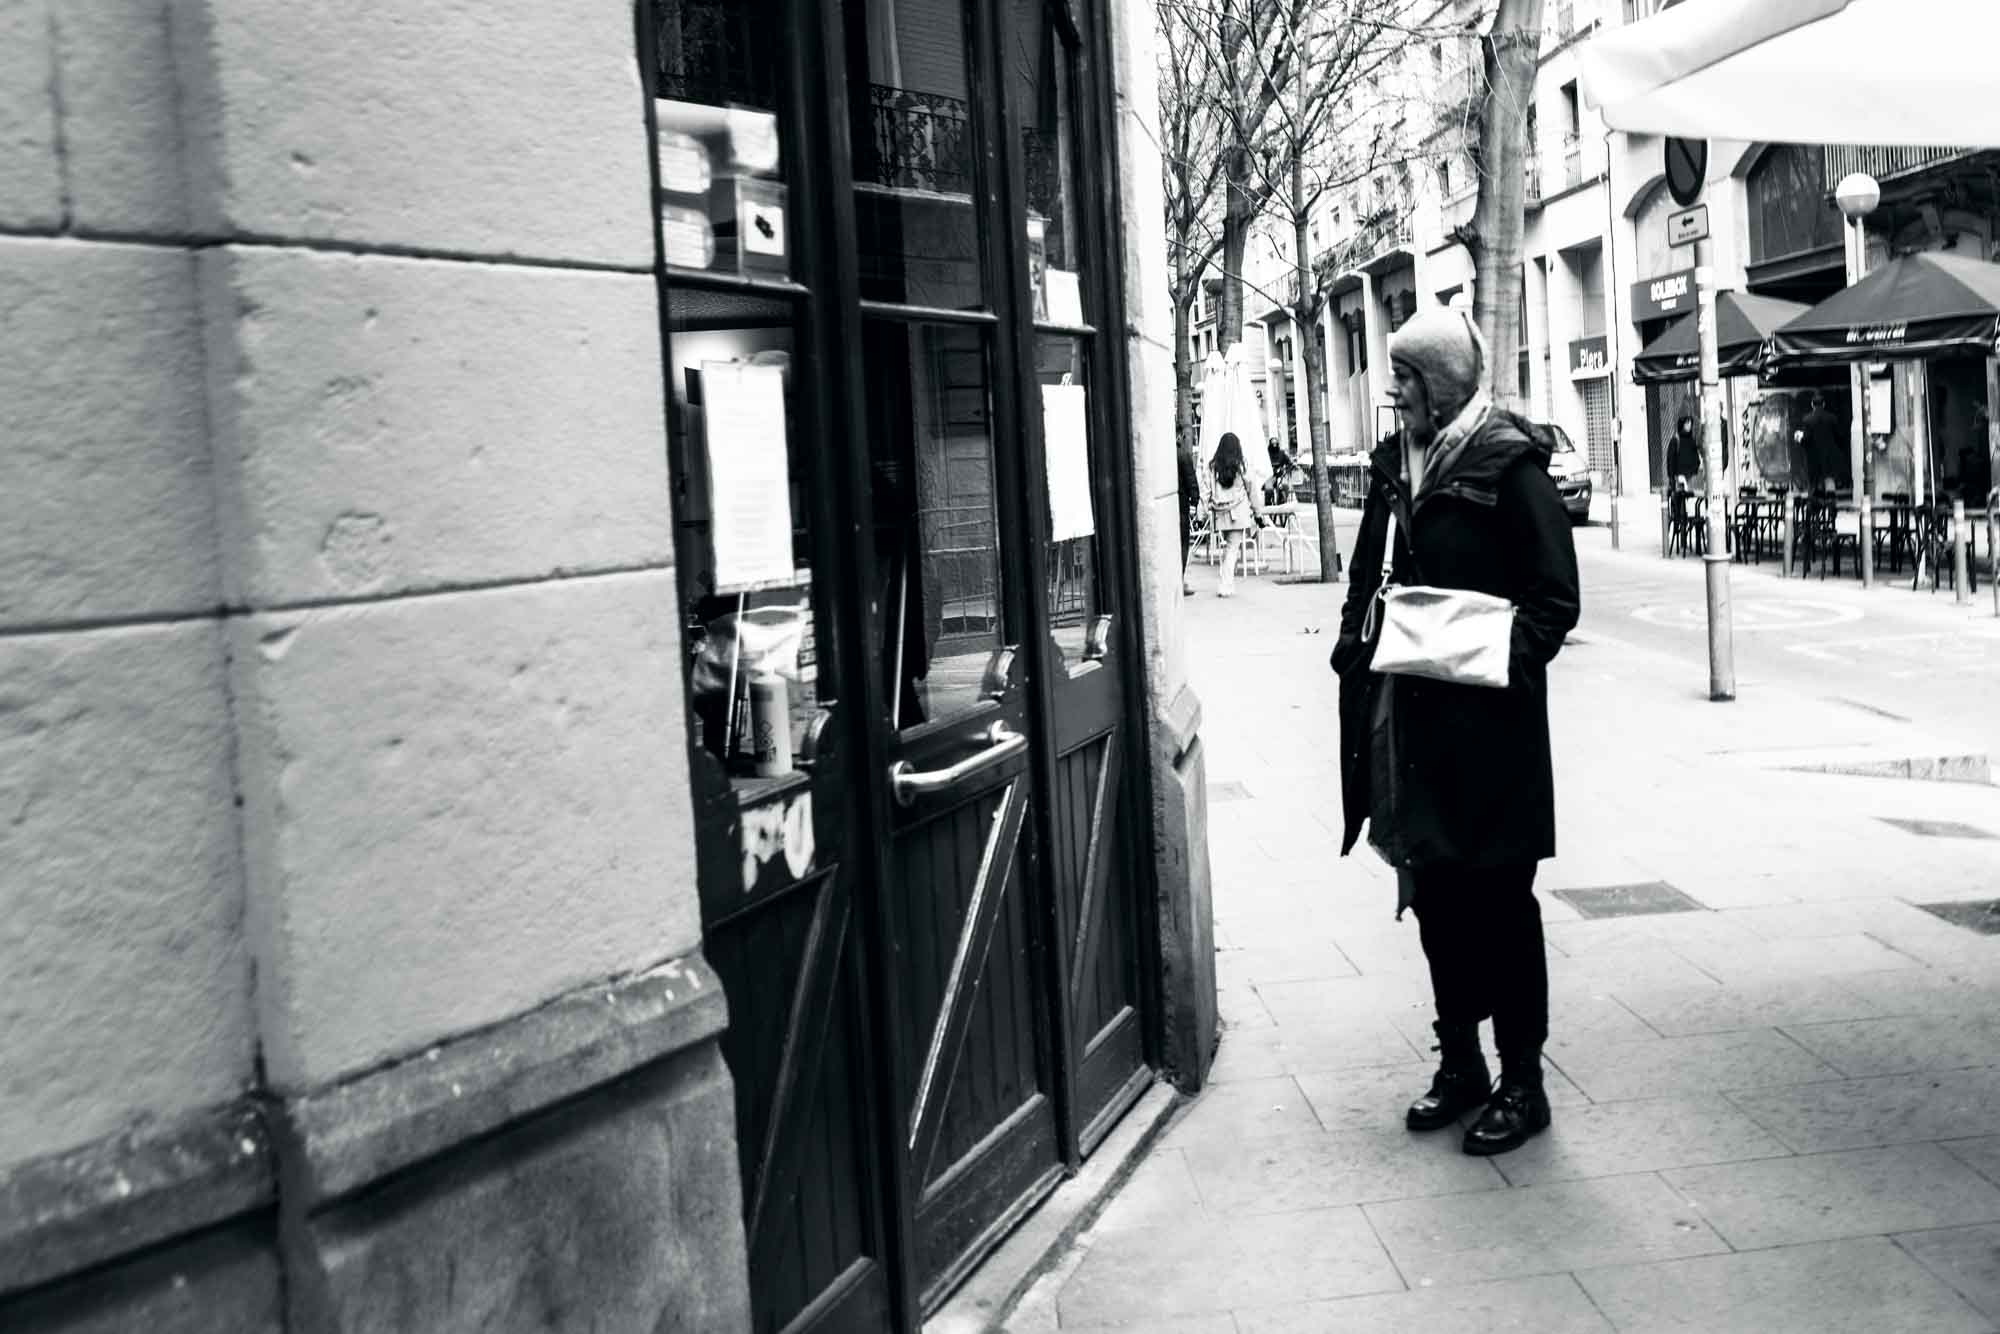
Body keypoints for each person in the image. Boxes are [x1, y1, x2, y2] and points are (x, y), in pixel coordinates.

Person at [1329, 308, 1580, 1157]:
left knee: (1501, 905)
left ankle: (1524, 1081)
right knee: (1434, 896)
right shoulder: (1394, 469)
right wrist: (1349, 644)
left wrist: (1475, 654)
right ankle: (1462, 1063)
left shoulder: (1511, 467)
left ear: (1439, 385)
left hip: (1492, 734)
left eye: (1403, 378)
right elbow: (1369, 570)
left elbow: (1554, 604)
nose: (1392, 391)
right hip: (1412, 729)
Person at [1208, 432, 1264, 597]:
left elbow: (1206, 491)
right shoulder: (1242, 466)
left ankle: (1228, 582)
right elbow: (1252, 491)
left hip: (1220, 513)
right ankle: (1225, 585)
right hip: (1238, 513)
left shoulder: (1214, 467)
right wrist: (1258, 513)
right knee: (1232, 549)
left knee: (1228, 548)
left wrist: (1201, 514)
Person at [1799, 392, 1845, 493]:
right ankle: (1831, 505)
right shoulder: (1832, 418)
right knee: (1829, 482)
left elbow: (1806, 440)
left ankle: (1815, 505)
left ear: (1812, 404)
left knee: (1814, 484)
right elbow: (1839, 437)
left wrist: (1799, 439)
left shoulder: (1807, 420)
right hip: (1829, 458)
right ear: (1824, 404)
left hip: (1814, 459)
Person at [1178, 437, 1202, 596]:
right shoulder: (1181, 453)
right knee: (1183, 543)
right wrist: (1194, 501)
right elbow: (1191, 479)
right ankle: (1180, 579)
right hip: (1181, 505)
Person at [1668, 413, 1701, 489]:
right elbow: (1671, 462)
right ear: (1682, 424)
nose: (1689, 426)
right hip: (1680, 479)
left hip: (1693, 479)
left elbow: (1696, 457)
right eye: (1687, 423)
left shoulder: (1692, 440)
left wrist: (1696, 468)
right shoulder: (1675, 440)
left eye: (1690, 423)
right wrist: (1672, 479)